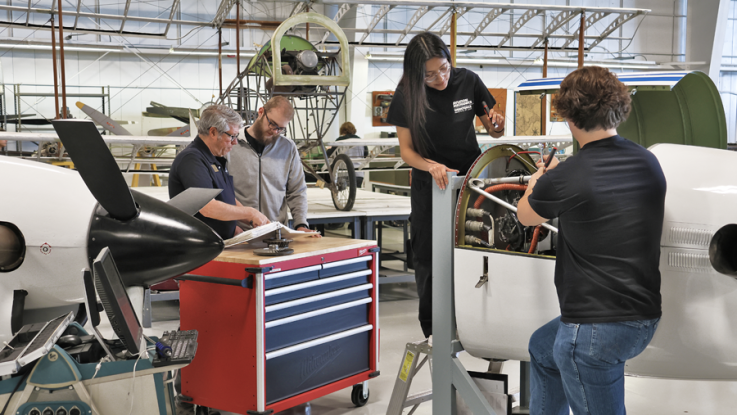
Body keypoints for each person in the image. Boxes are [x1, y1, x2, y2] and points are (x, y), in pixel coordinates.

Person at [517, 66, 666, 415]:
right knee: (542, 347)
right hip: (644, 316)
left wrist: (536, 182)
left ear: (569, 117)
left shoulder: (567, 176)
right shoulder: (648, 162)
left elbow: (525, 216)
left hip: (594, 331)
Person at [385, 32, 505, 339]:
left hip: (471, 180)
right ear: (415, 75)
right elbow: (407, 151)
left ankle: (477, 321)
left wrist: (496, 125)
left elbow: (491, 130)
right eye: (430, 75)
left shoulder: (469, 81)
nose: (440, 78)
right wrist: (432, 165)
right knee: (428, 254)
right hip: (431, 184)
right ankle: (434, 329)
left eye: (444, 69)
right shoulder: (405, 97)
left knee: (475, 246)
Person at [169, 104, 269, 240]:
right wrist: (249, 213)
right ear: (213, 132)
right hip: (198, 248)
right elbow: (207, 207)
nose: (235, 143)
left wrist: (250, 222)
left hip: (219, 244)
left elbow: (226, 198)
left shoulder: (214, 159)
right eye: (232, 136)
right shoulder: (192, 159)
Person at [230, 96, 318, 235]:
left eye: (280, 128)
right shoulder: (231, 145)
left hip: (276, 234)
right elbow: (220, 191)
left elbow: (297, 191)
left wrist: (300, 224)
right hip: (239, 233)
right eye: (272, 123)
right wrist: (230, 226)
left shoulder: (288, 148)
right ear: (260, 112)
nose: (274, 131)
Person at [327, 121, 367, 187]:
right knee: (357, 193)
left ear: (342, 131)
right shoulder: (361, 141)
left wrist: (328, 149)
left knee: (341, 194)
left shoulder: (340, 140)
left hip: (343, 173)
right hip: (358, 174)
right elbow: (366, 155)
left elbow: (329, 154)